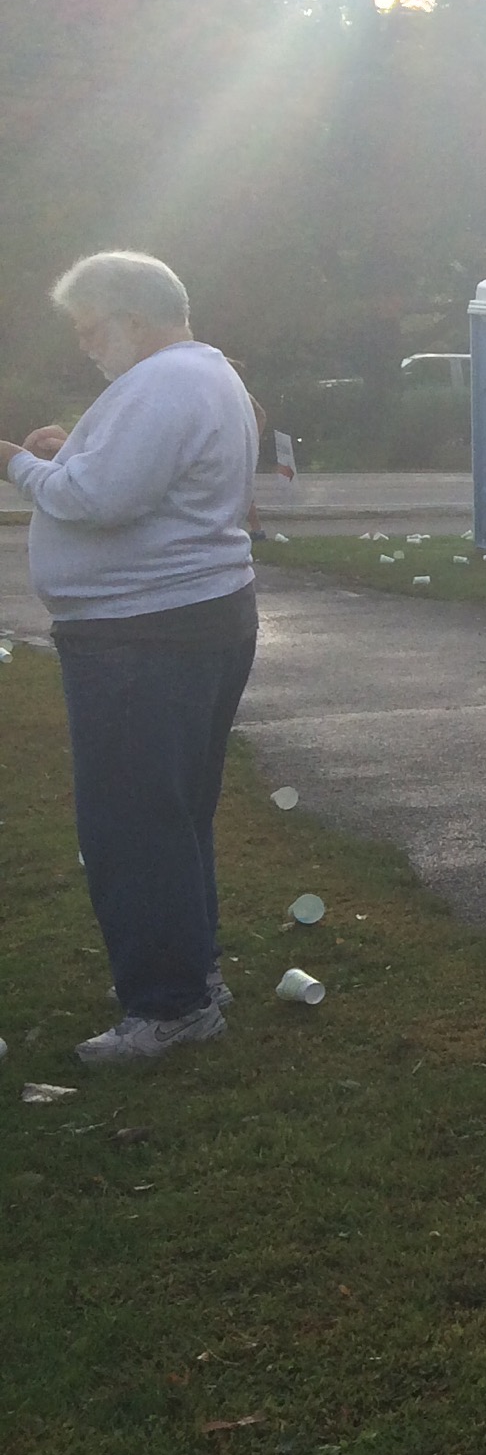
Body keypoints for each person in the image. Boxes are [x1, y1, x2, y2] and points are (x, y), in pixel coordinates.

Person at [7, 252, 263, 1065]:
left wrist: (15, 463)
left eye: (91, 328)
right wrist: (65, 453)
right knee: (174, 814)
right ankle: (194, 975)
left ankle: (170, 1005)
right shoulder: (201, 374)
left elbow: (100, 498)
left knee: (133, 825)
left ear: (133, 317)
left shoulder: (165, 382)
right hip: (186, 621)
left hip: (144, 635)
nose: (85, 345)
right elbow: (127, 475)